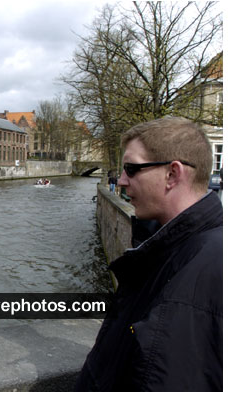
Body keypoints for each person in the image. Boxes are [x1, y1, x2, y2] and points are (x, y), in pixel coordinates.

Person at [75, 117, 222, 391]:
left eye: (131, 169)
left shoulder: (201, 277)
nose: (120, 181)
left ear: (172, 174)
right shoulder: (169, 250)